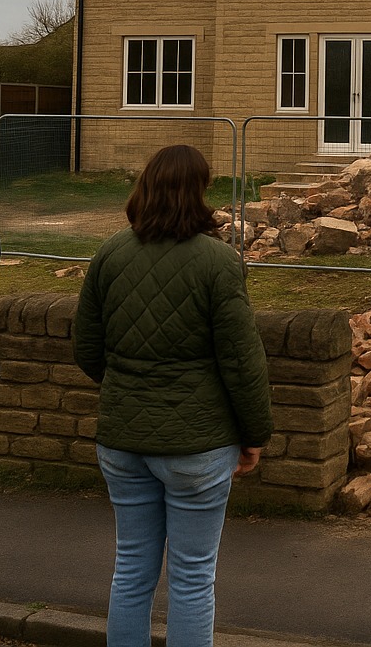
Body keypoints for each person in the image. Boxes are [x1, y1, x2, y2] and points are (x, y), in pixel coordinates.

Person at [74, 144, 272, 647]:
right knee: (192, 577)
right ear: (198, 193)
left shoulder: (110, 254)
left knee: (130, 569)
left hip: (122, 441)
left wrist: (128, 386)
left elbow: (86, 349)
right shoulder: (219, 262)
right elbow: (242, 361)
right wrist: (254, 434)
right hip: (198, 446)